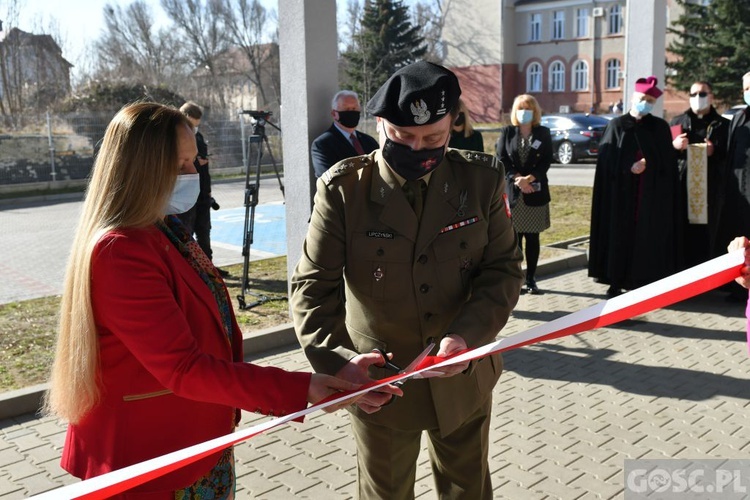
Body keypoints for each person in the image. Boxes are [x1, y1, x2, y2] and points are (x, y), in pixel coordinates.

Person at [44, 102, 358, 498]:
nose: (194, 175)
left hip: (196, 441)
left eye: (195, 162)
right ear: (140, 169)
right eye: (180, 166)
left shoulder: (164, 228)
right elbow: (183, 367)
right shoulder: (121, 251)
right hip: (150, 460)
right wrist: (301, 388)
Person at [290, 61, 523, 499]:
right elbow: (311, 289)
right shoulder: (343, 191)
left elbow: (503, 268)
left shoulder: (481, 180)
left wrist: (468, 337)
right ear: (379, 126)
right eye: (403, 138)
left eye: (433, 138)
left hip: (462, 376)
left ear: (453, 126)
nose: (419, 148)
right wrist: (340, 366)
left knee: (467, 490)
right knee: (386, 494)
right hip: (379, 386)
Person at [588, 76, 680, 298]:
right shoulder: (616, 125)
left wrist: (649, 162)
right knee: (619, 236)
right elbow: (607, 161)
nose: (645, 102)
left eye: (649, 100)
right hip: (620, 195)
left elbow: (667, 160)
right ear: (632, 97)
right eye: (641, 98)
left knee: (646, 236)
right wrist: (627, 166)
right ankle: (615, 280)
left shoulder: (659, 127)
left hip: (649, 196)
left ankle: (643, 279)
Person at [495, 94, 552, 295]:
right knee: (515, 241)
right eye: (521, 108)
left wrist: (530, 179)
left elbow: (546, 160)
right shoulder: (507, 132)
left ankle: (531, 280)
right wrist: (518, 178)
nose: (524, 113)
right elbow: (501, 158)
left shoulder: (543, 133)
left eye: (528, 109)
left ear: (534, 112)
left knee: (533, 239)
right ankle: (516, 280)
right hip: (515, 194)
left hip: (535, 193)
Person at [670, 81, 730, 268]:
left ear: (711, 96)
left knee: (709, 232)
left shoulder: (723, 125)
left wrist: (715, 152)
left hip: (711, 189)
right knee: (684, 232)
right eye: (694, 94)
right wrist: (674, 147)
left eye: (703, 94)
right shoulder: (677, 122)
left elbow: (732, 157)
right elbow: (664, 156)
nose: (698, 98)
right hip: (684, 187)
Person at [176, 101, 229, 277]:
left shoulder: (198, 137)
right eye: (192, 125)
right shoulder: (177, 138)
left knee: (204, 231)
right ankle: (188, 269)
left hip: (202, 192)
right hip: (187, 193)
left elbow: (203, 169)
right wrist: (196, 162)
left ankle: (208, 267)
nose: (195, 129)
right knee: (186, 232)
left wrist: (207, 191)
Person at [310, 90, 379, 178]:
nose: (351, 112)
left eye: (354, 109)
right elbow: (328, 178)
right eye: (346, 109)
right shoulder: (322, 144)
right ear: (334, 114)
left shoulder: (369, 141)